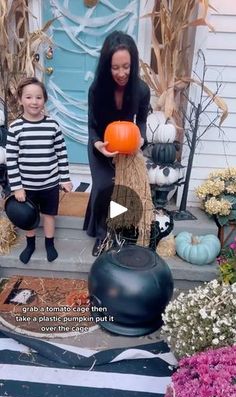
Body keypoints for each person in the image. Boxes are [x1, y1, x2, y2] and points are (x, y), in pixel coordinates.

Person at [83, 30, 150, 256]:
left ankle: (115, 231)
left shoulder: (141, 90)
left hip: (127, 146)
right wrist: (97, 144)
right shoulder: (96, 89)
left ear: (133, 64)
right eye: (115, 67)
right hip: (101, 146)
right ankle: (102, 236)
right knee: (103, 187)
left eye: (126, 66)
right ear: (106, 65)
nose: (121, 73)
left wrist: (141, 138)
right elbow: (91, 125)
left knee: (120, 190)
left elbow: (141, 120)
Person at [6, 77, 73, 264]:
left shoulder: (52, 126)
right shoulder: (15, 128)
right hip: (26, 186)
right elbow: (11, 160)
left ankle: (49, 244)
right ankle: (30, 244)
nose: (34, 102)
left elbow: (61, 153)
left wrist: (65, 179)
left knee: (49, 215)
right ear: (20, 100)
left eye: (38, 97)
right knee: (29, 216)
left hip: (50, 183)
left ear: (44, 100)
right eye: (28, 97)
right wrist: (17, 187)